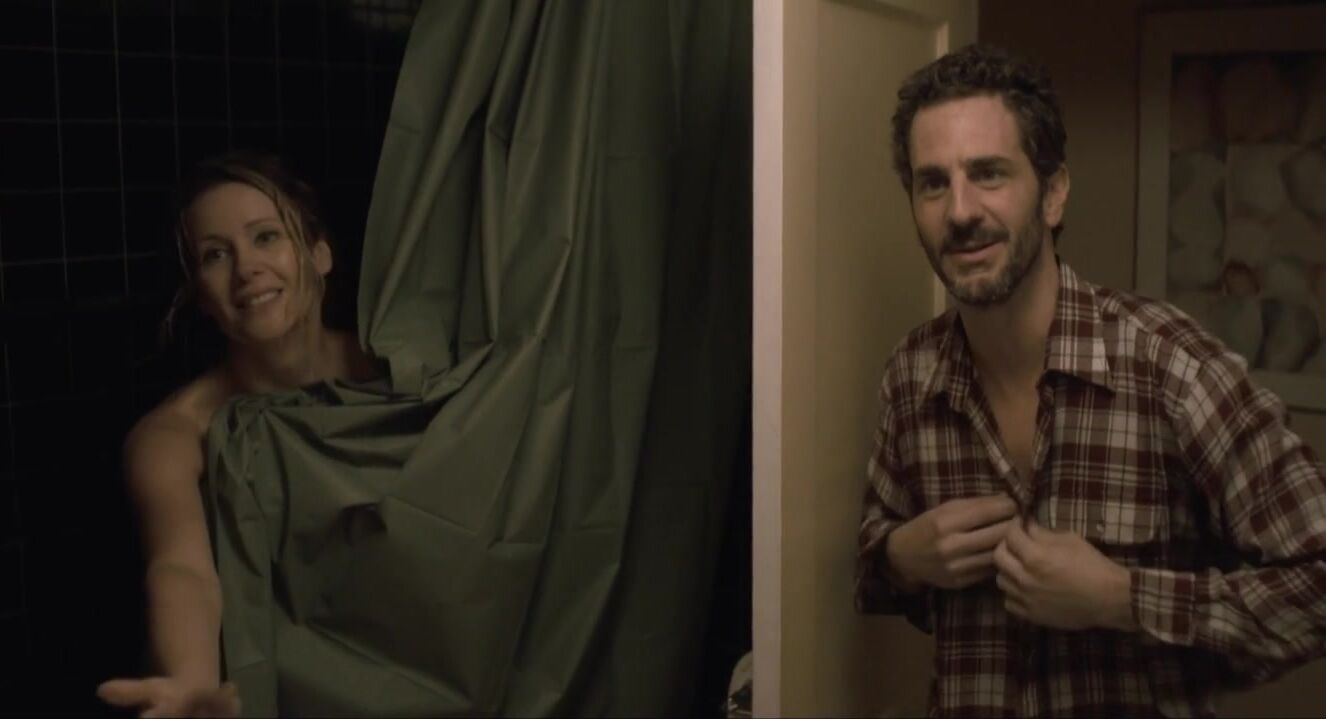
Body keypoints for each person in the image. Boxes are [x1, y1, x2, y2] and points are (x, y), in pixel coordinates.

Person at [855, 44, 1326, 716]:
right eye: (933, 183)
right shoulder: (911, 376)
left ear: (1053, 194)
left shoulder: (1172, 367)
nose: (959, 211)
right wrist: (901, 557)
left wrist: (1123, 599)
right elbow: (874, 565)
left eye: (988, 174)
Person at [96, 153, 379, 718]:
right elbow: (181, 569)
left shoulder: (397, 377)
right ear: (202, 296)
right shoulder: (172, 435)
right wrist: (192, 679)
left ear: (319, 254)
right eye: (216, 255)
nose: (246, 268)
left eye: (266, 237)